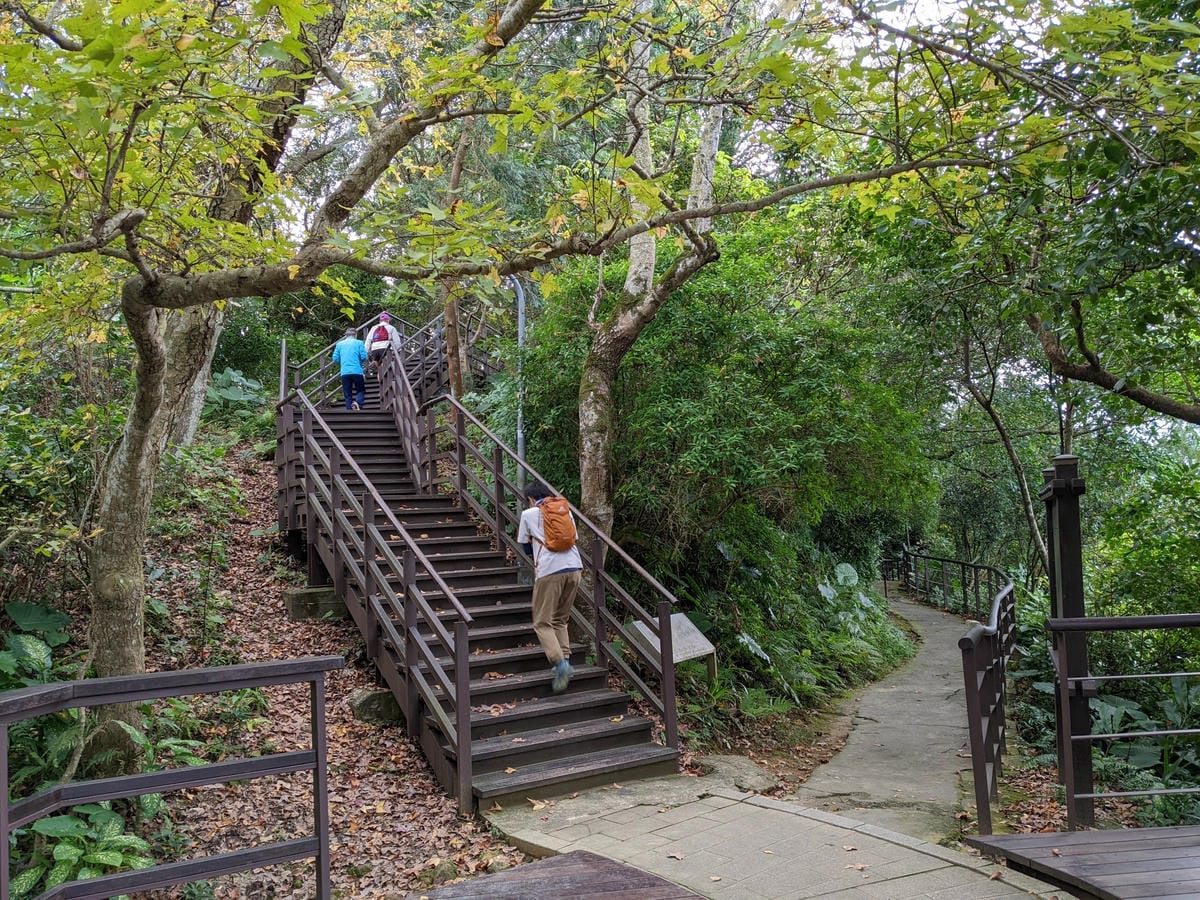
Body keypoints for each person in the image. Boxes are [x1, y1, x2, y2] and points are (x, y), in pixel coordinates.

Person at [518, 483, 583, 692]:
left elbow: (526, 546)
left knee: (542, 622)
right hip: (574, 568)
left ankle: (560, 663)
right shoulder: (564, 510)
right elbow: (574, 538)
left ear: (529, 499)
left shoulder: (528, 514)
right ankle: (565, 658)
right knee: (560, 619)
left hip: (549, 571)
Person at [332, 327, 367, 410]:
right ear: (355, 335)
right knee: (360, 390)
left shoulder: (339, 344)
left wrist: (343, 362)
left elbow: (335, 358)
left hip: (345, 372)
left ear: (346, 335)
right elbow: (364, 356)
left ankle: (349, 410)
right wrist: (359, 361)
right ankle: (358, 403)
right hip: (357, 371)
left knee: (347, 392)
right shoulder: (359, 343)